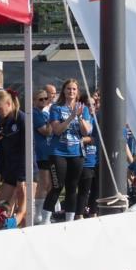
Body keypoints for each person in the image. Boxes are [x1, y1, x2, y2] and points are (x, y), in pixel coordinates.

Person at [43, 79, 92, 223]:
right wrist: (71, 116)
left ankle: (69, 221)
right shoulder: (56, 108)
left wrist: (80, 117)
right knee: (57, 186)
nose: (71, 91)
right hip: (58, 152)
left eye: (74, 89)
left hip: (76, 153)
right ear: (64, 91)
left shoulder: (83, 109)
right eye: (68, 88)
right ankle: (45, 220)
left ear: (78, 92)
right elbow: (57, 130)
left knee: (72, 187)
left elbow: (86, 132)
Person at [0, 89, 29, 226]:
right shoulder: (2, 121)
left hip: (26, 171)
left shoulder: (22, 119)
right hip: (10, 171)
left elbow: (27, 150)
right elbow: (0, 148)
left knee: (23, 214)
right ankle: (4, 231)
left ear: (8, 103)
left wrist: (22, 177)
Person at [31, 88, 53, 223]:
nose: (44, 101)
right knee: (43, 184)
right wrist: (52, 120)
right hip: (40, 153)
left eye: (46, 98)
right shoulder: (35, 113)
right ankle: (37, 213)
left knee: (49, 184)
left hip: (47, 153)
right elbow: (46, 131)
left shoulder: (43, 113)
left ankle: (44, 212)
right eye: (41, 99)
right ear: (34, 100)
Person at [77, 93, 100, 219]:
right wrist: (91, 139)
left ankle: (93, 214)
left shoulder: (96, 119)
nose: (91, 107)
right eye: (88, 104)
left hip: (96, 159)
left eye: (94, 104)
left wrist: (92, 139)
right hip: (85, 160)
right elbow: (80, 138)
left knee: (96, 190)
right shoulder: (81, 119)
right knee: (84, 191)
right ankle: (79, 216)